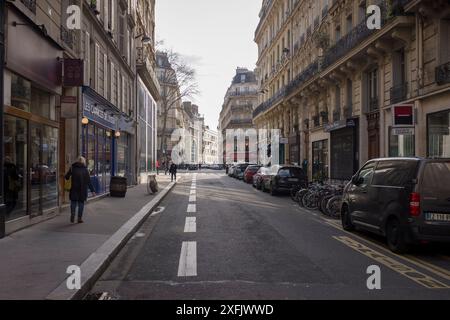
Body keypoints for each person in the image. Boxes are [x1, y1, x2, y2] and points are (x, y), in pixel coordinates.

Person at [65, 156, 96, 223]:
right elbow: (88, 181)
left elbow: (67, 177)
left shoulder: (72, 168)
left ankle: (72, 215)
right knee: (81, 203)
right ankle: (79, 218)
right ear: (83, 162)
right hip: (82, 189)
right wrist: (92, 191)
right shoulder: (85, 170)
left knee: (73, 202)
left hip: (73, 188)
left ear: (77, 161)